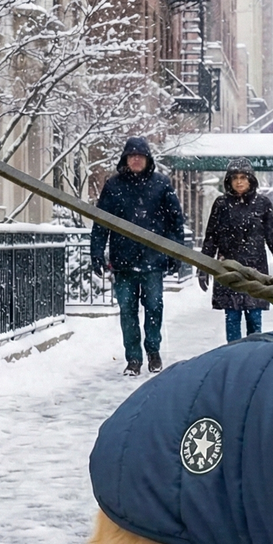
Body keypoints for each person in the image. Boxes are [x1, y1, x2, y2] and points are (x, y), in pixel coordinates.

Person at [90, 136, 184, 376]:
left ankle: (153, 352)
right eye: (131, 156)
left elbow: (175, 221)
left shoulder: (161, 185)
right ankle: (133, 359)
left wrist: (176, 251)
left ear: (147, 159)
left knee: (154, 307)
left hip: (152, 260)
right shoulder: (114, 186)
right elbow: (101, 221)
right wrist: (97, 251)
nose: (135, 160)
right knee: (127, 311)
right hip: (124, 260)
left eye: (139, 156)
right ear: (125, 159)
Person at [199, 158, 273, 342]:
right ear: (229, 180)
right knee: (232, 319)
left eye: (243, 177)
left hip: (255, 270)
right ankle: (234, 359)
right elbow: (211, 238)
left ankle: (253, 358)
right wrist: (204, 267)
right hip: (228, 269)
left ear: (250, 180)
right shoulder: (221, 205)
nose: (239, 181)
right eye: (235, 178)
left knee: (254, 321)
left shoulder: (262, 204)